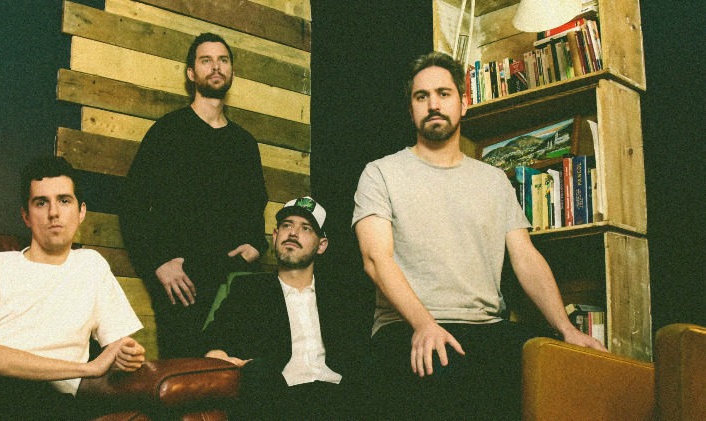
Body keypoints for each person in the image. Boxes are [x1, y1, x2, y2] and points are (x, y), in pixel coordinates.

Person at [352, 51, 606, 420]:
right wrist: (424, 325)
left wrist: (566, 329)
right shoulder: (381, 173)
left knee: (567, 375)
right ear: (411, 110)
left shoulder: (494, 181)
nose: (433, 104)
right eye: (422, 96)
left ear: (463, 103)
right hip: (406, 326)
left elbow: (526, 258)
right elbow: (376, 259)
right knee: (441, 376)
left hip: (486, 328)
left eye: (444, 93)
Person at [0, 156, 146, 421]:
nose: (53, 213)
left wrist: (128, 355)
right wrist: (89, 369)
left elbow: (118, 346)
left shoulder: (92, 266)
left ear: (81, 212)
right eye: (41, 202)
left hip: (51, 400)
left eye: (64, 200)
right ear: (26, 216)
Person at [120, 32, 268, 358]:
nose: (216, 67)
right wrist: (157, 264)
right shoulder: (168, 132)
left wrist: (257, 245)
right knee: (185, 373)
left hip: (233, 277)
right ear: (191, 73)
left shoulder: (244, 143)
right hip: (183, 282)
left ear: (231, 71)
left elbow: (256, 205)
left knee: (236, 375)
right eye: (206, 60)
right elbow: (132, 205)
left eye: (223, 60)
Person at [203, 197, 362, 420]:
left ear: (321, 245)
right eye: (287, 225)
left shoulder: (339, 297)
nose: (293, 233)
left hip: (338, 396)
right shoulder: (249, 290)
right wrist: (219, 356)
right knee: (258, 372)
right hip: (279, 397)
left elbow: (360, 356)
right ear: (276, 235)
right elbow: (212, 338)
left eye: (305, 228)